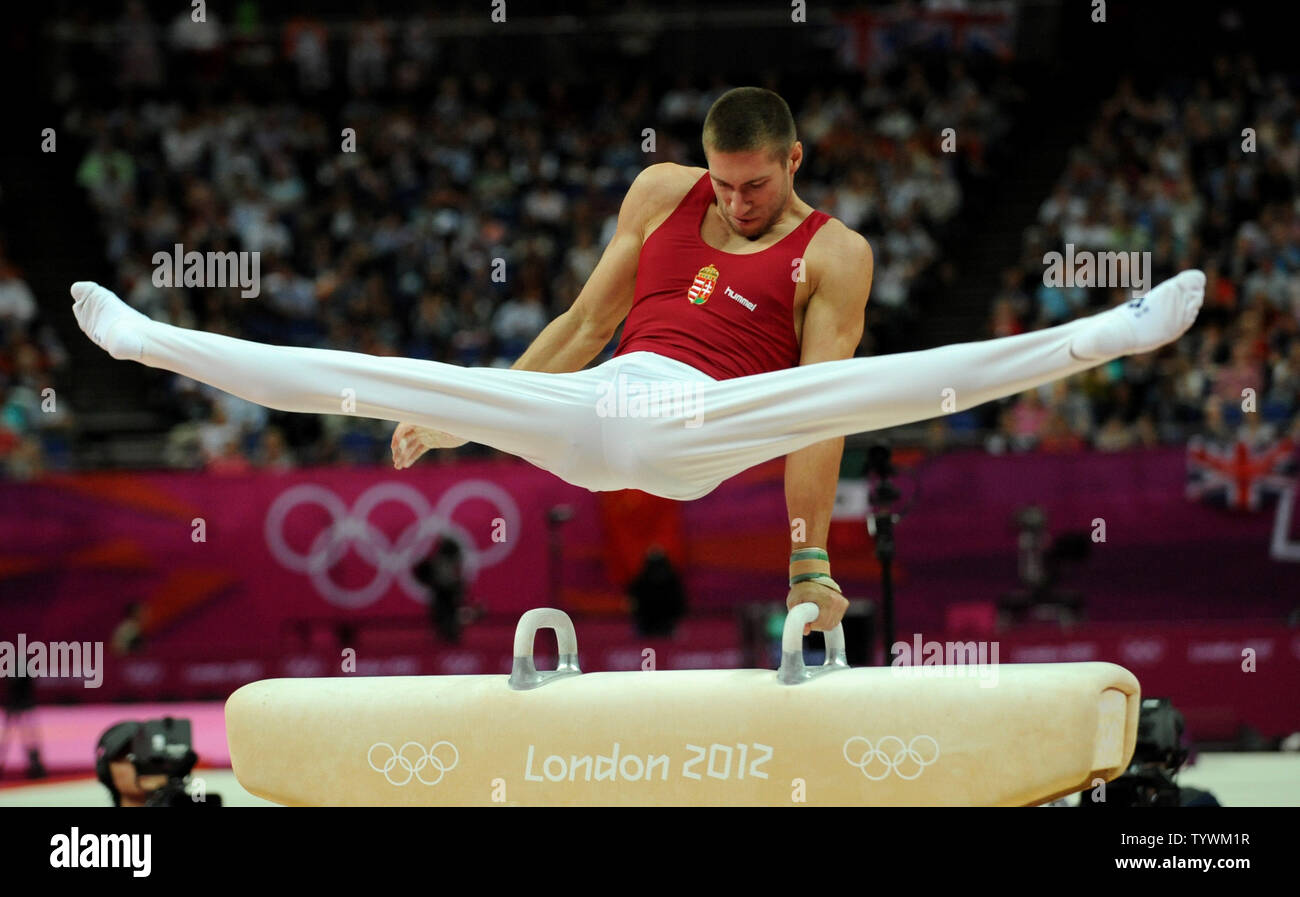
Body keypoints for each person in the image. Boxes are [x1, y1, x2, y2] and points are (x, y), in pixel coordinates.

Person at [71, 87, 1205, 638]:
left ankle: (1109, 330)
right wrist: (487, 409)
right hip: (600, 403)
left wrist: (808, 563)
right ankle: (150, 338)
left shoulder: (832, 253)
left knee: (867, 387)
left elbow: (814, 420)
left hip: (715, 422)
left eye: (756, 183)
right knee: (380, 375)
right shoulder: (662, 193)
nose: (736, 200)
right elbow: (576, 325)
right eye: (723, 181)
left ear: (795, 161)